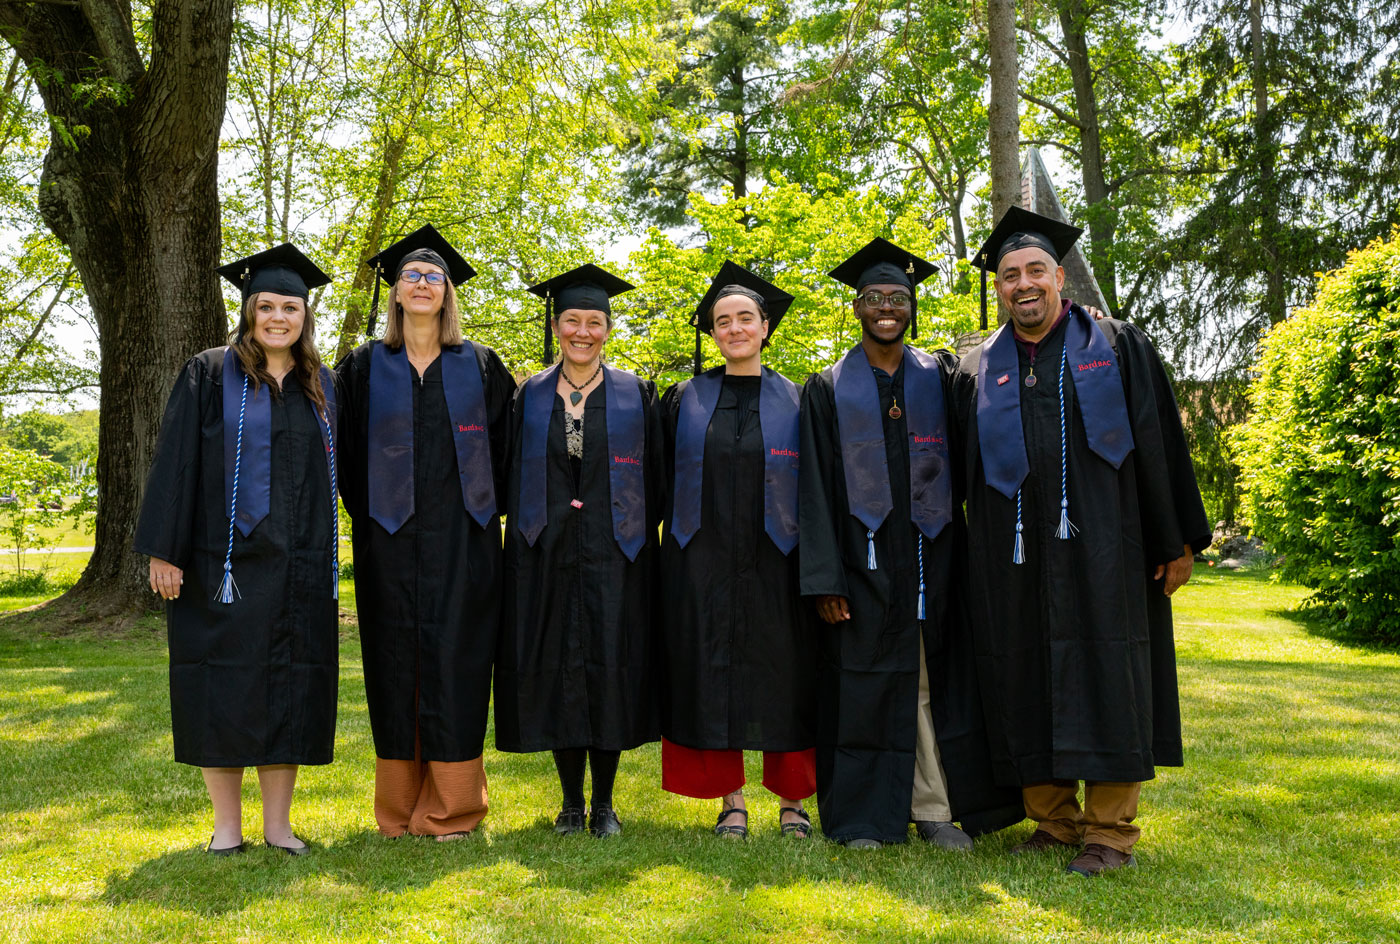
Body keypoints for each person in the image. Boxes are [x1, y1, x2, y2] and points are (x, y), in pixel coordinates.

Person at [951, 206, 1212, 876]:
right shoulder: (977, 368)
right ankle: (1054, 821)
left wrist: (1173, 539)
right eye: (1009, 275)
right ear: (1000, 288)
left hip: (1106, 552)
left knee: (1108, 675)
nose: (1022, 283)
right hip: (1012, 558)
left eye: (1035, 269)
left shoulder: (1116, 345)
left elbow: (1158, 447)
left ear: (1059, 276)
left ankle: (1109, 832)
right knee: (1021, 671)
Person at [799, 238, 1024, 849]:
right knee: (863, 684)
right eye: (874, 297)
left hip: (934, 559)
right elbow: (814, 487)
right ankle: (864, 817)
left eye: (899, 297)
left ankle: (934, 808)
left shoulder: (942, 376)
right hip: (861, 561)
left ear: (911, 306)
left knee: (931, 680)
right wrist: (824, 578)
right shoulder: (826, 387)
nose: (887, 307)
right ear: (857, 309)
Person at [134, 243, 339, 856]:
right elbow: (176, 463)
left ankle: (278, 825)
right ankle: (228, 827)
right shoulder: (208, 372)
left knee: (292, 689)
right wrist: (163, 551)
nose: (279, 318)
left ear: (305, 316)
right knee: (221, 689)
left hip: (299, 564)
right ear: (249, 310)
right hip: (219, 566)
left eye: (292, 308)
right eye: (268, 306)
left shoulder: (320, 384)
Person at [335, 224, 515, 841]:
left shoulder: (482, 365)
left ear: (448, 292)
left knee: (459, 661)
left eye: (433, 277)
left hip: (465, 544)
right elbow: (345, 458)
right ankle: (397, 809)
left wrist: (484, 515)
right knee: (392, 663)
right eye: (411, 275)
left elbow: (506, 450)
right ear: (394, 290)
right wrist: (377, 516)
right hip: (387, 542)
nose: (421, 284)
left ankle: (454, 808)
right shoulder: (361, 367)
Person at [495, 264, 665, 838]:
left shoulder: (635, 393)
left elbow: (658, 479)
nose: (583, 331)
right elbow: (505, 469)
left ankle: (607, 804)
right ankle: (570, 802)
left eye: (595, 321)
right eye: (572, 320)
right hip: (543, 551)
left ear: (608, 329)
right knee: (558, 666)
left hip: (617, 551)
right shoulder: (529, 394)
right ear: (556, 324)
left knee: (609, 664)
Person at [658, 261, 817, 839]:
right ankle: (731, 800)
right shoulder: (681, 400)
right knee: (711, 671)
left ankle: (795, 802)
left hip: (780, 557)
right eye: (722, 321)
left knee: (787, 672)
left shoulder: (800, 400)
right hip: (700, 559)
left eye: (744, 318)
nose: (734, 329)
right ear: (712, 332)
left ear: (766, 326)